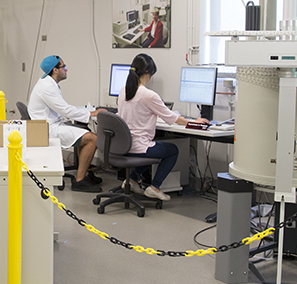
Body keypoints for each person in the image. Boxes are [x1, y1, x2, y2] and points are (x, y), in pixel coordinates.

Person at [117, 54, 208, 201]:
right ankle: (155, 187)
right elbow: (173, 118)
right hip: (140, 146)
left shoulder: (124, 90)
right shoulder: (148, 95)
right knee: (172, 150)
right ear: (148, 73)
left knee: (154, 149)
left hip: (124, 145)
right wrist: (195, 122)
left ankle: (132, 180)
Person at [28, 55, 105, 192]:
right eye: (63, 66)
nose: (66, 69)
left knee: (84, 130)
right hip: (49, 129)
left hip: (50, 124)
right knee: (92, 139)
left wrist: (90, 111)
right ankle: (79, 181)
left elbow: (64, 107)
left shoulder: (48, 83)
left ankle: (84, 173)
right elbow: (66, 111)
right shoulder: (47, 87)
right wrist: (91, 114)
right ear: (55, 70)